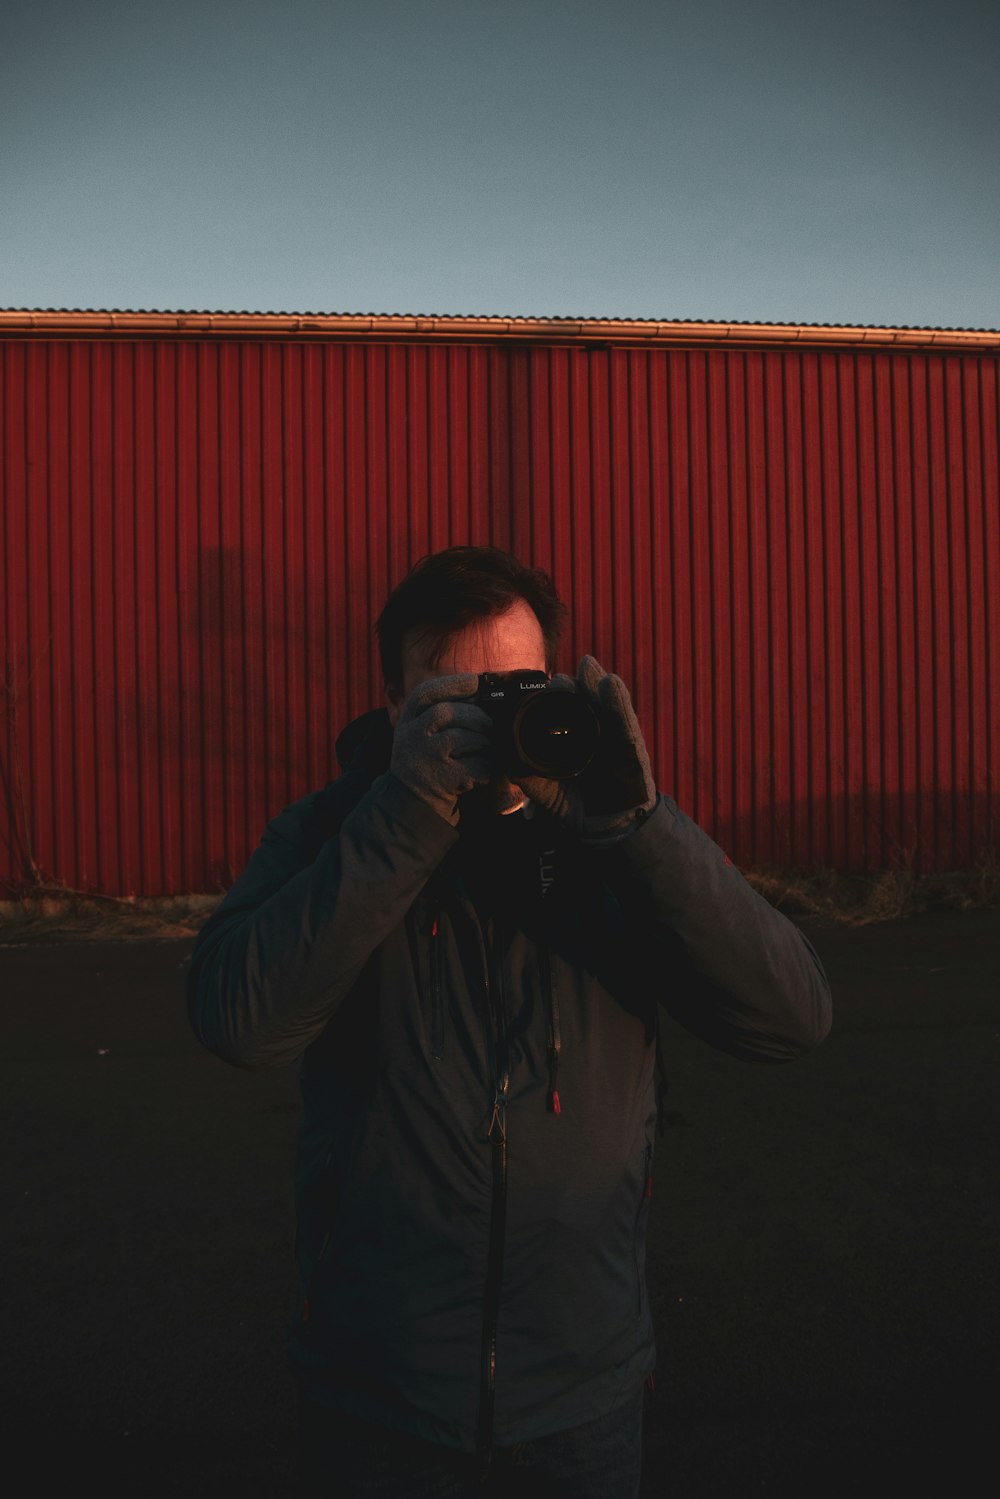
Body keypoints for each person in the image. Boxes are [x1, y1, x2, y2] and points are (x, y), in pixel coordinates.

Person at [187, 545, 832, 1497]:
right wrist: (406, 813)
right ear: (394, 703)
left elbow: (792, 1017)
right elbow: (239, 1020)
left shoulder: (608, 842)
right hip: (379, 1394)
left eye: (516, 689)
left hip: (579, 1391)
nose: (489, 723)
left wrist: (638, 828)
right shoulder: (332, 831)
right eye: (454, 699)